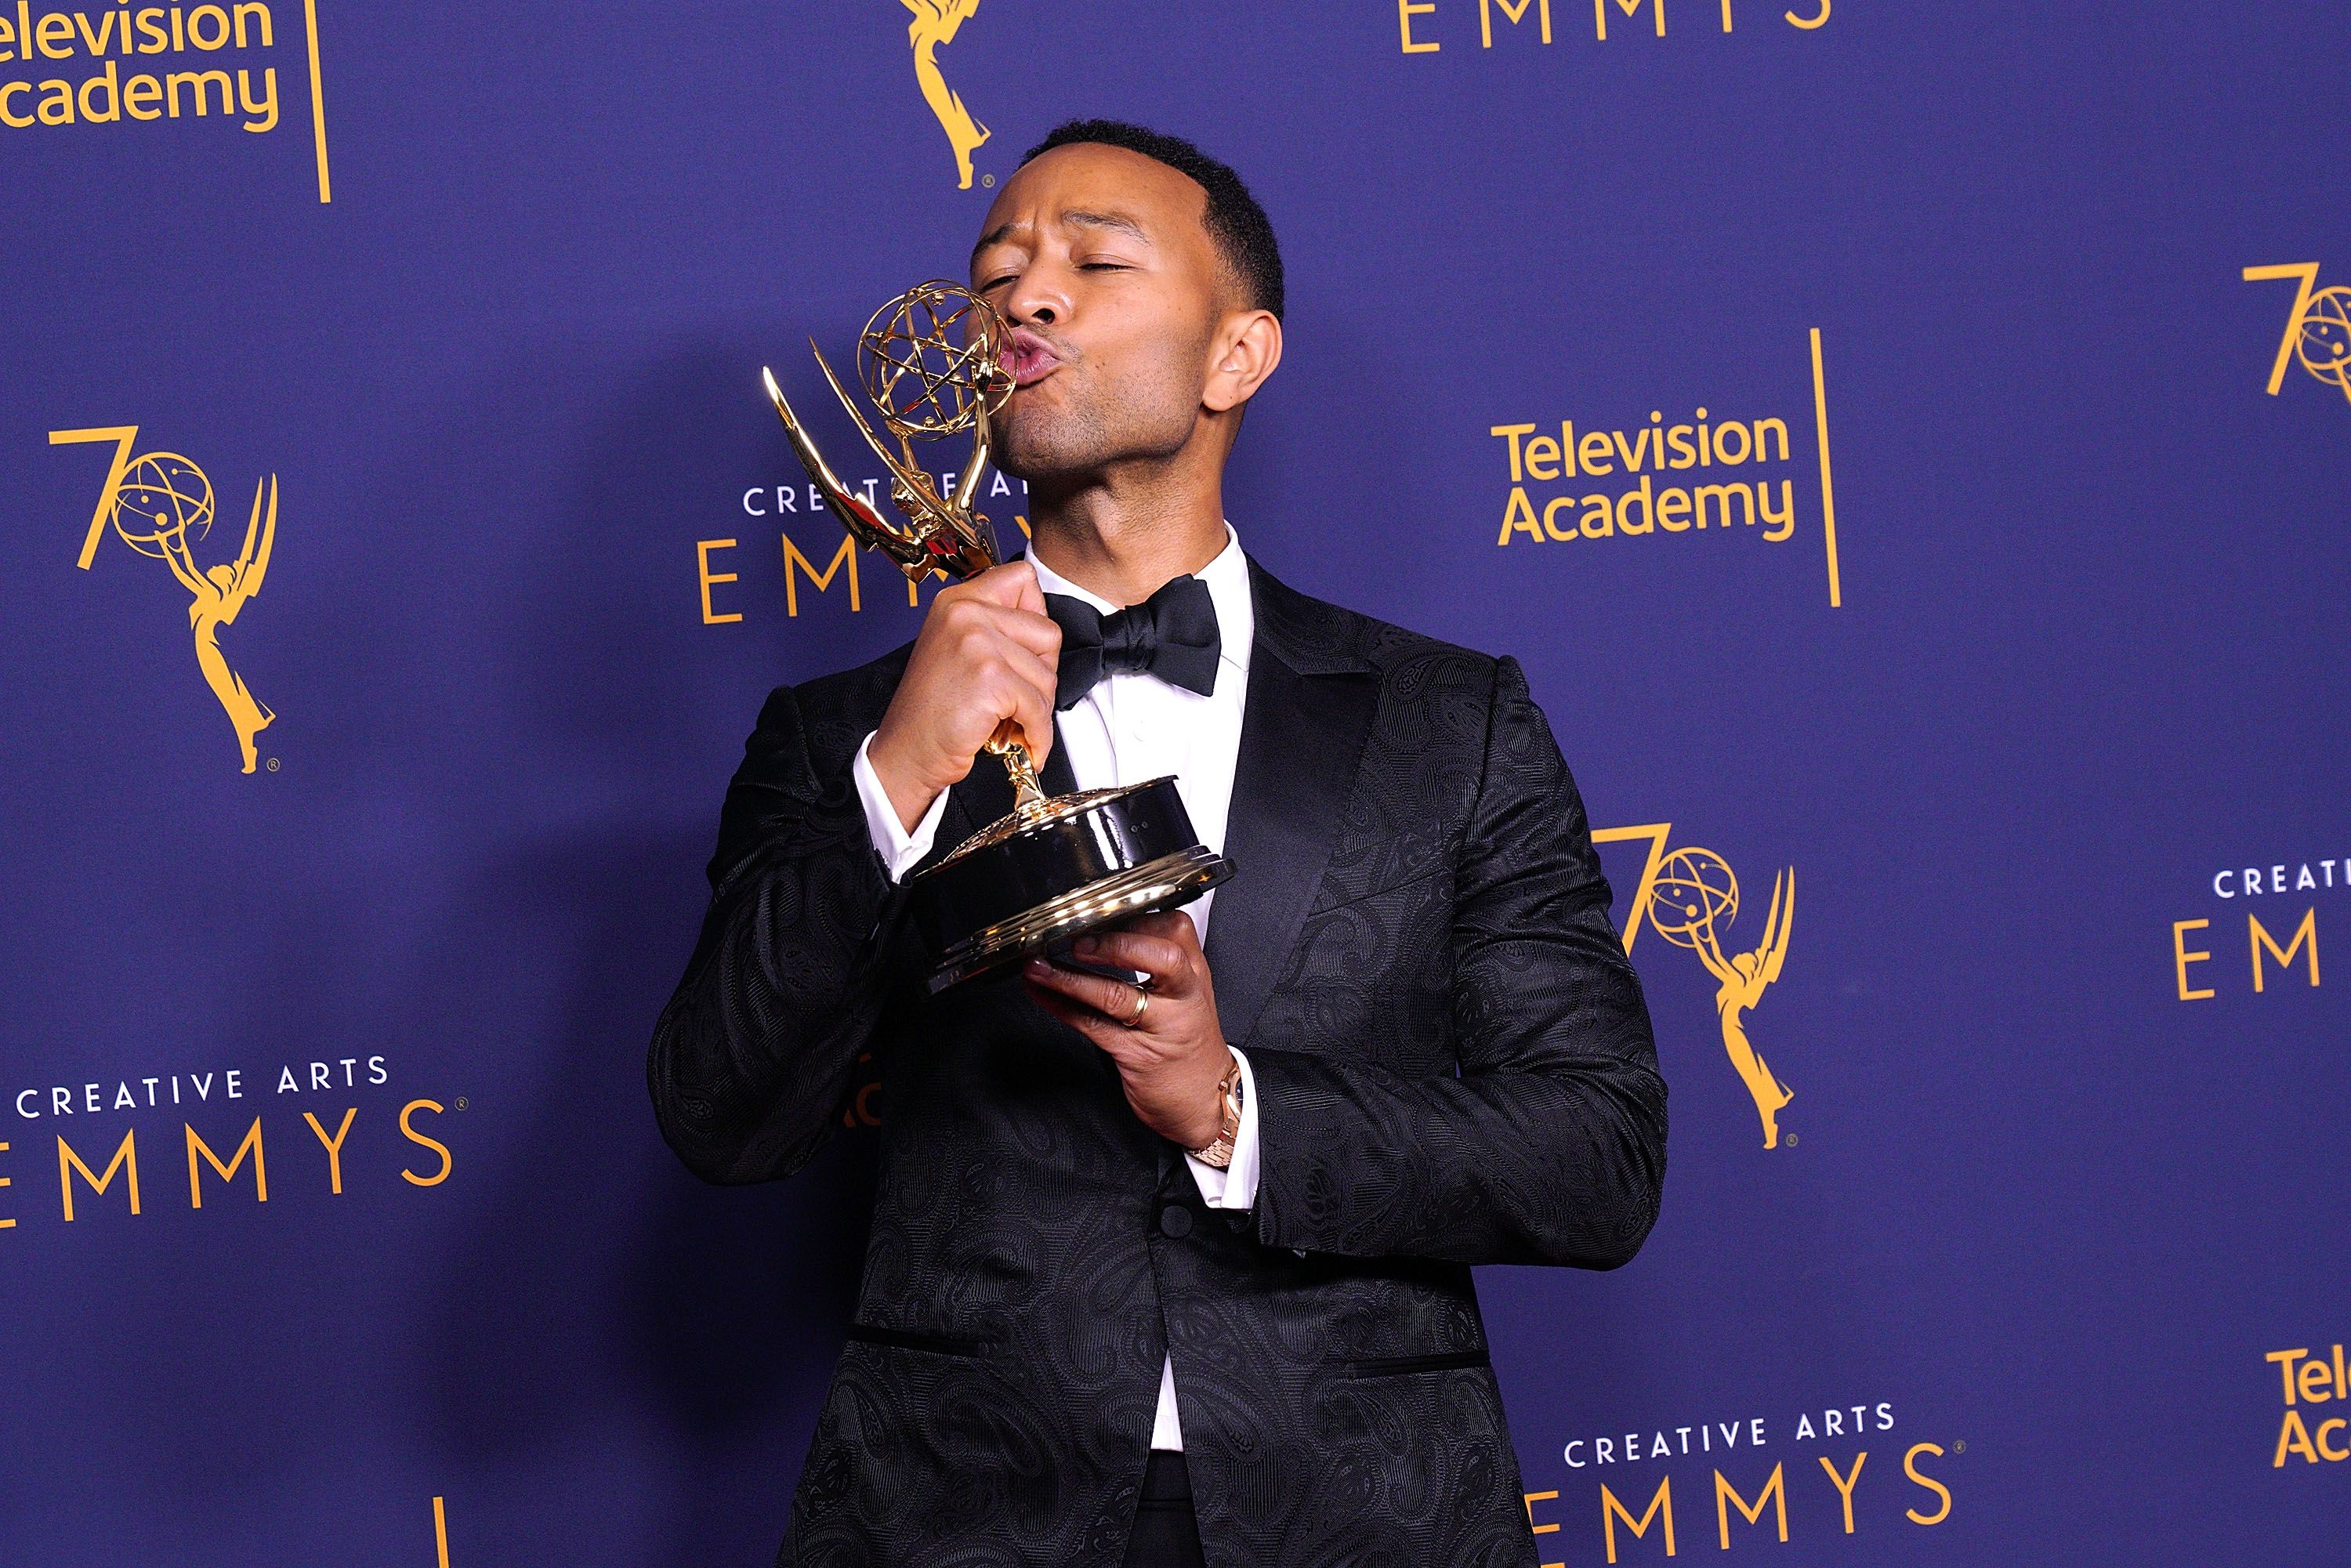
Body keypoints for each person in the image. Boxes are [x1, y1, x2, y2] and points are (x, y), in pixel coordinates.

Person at [648, 118, 1667, 1568]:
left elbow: (1600, 1152)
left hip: (1369, 1513)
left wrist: (1232, 1106)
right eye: (999, 268)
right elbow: (719, 1114)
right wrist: (899, 777)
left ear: (1236, 357)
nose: (1026, 297)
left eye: (1093, 260)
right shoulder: (842, 736)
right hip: (956, 1513)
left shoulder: (1457, 720)